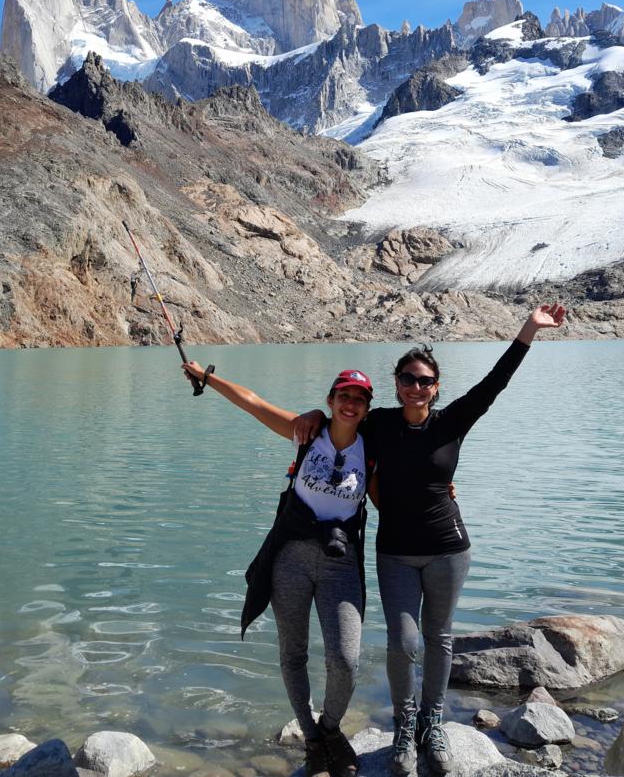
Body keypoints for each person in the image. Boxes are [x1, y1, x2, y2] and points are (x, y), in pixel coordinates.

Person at [294, 304, 566, 775]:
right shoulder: (378, 423)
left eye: (424, 381)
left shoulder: (451, 421)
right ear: (397, 383)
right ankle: (404, 724)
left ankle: (432, 722)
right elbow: (342, 418)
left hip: (448, 549)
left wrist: (530, 329)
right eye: (408, 378)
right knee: (403, 642)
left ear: (435, 387)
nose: (416, 387)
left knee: (439, 639)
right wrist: (314, 411)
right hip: (395, 551)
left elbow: (495, 382)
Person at [182, 361, 375, 777]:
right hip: (290, 559)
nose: (350, 404)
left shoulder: (370, 452)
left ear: (366, 409)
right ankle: (311, 738)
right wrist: (207, 378)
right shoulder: (307, 432)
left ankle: (330, 729)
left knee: (345, 659)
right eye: (344, 396)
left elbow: (397, 496)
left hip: (340, 566)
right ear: (331, 400)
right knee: (293, 653)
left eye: (359, 399)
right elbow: (253, 403)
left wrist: (441, 492)